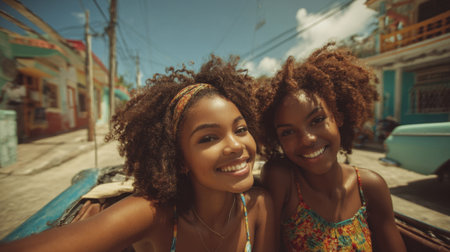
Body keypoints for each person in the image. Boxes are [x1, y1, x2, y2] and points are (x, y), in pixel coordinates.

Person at [0, 55, 275, 252]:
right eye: (209, 138)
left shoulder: (259, 207)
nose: (236, 145)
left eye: (240, 129)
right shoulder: (154, 214)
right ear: (179, 160)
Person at [256, 43, 406, 251]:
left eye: (317, 120)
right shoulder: (282, 180)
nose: (307, 139)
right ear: (277, 139)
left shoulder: (370, 187)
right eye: (288, 132)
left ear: (338, 117)